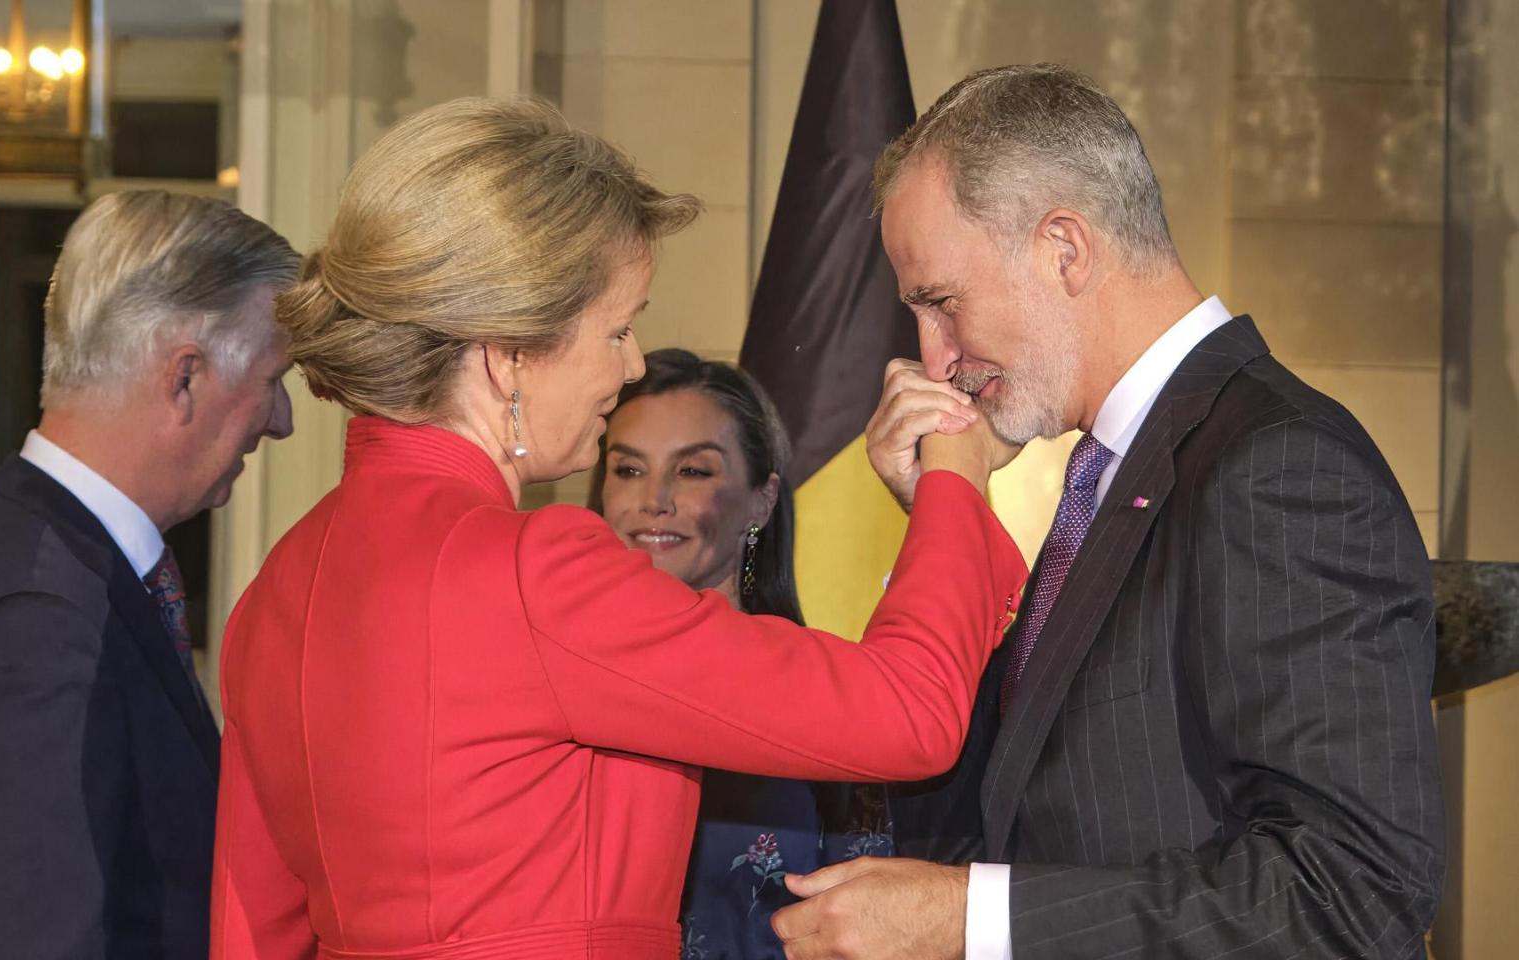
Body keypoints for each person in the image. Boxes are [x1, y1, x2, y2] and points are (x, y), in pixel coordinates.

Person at [210, 96, 1028, 960]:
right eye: (618, 329)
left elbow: (249, 930)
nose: (632, 366)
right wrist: (953, 473)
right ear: (509, 354)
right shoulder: (529, 570)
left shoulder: (278, 586)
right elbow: (907, 713)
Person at [772, 64, 1445, 960]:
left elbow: (1354, 887)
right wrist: (943, 519)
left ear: (1065, 249)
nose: (935, 361)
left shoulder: (1279, 465)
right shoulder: (1110, 472)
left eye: (941, 303)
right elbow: (990, 809)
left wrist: (968, 920)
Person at [0, 190, 299, 960]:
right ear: (184, 379)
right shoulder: (32, 620)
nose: (281, 419)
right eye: (272, 377)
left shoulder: (40, 564)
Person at [590, 348, 895, 960]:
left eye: (692, 471)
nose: (654, 499)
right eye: (628, 469)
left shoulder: (824, 694)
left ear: (762, 499)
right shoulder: (560, 684)